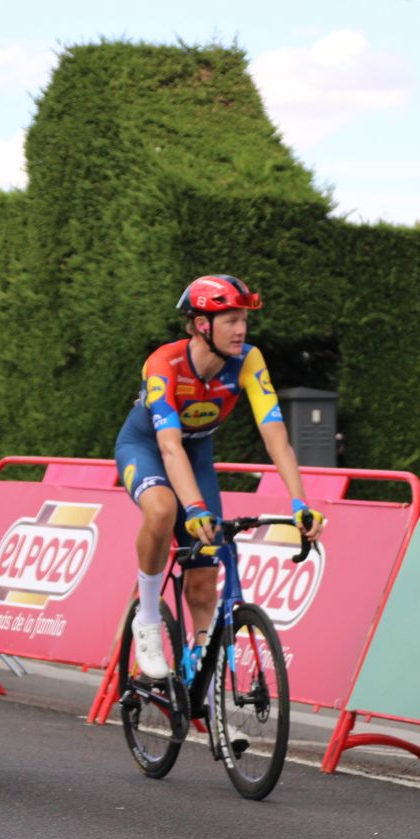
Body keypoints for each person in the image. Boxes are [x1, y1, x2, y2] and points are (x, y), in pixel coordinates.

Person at [113, 274, 324, 683]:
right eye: (230, 320)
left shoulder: (249, 360)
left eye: (243, 319)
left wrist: (301, 502)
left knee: (205, 580)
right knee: (162, 508)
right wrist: (193, 507)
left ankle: (203, 679)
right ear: (200, 325)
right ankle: (149, 619)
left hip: (197, 457)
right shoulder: (164, 364)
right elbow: (170, 447)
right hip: (147, 448)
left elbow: (275, 435)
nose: (241, 329)